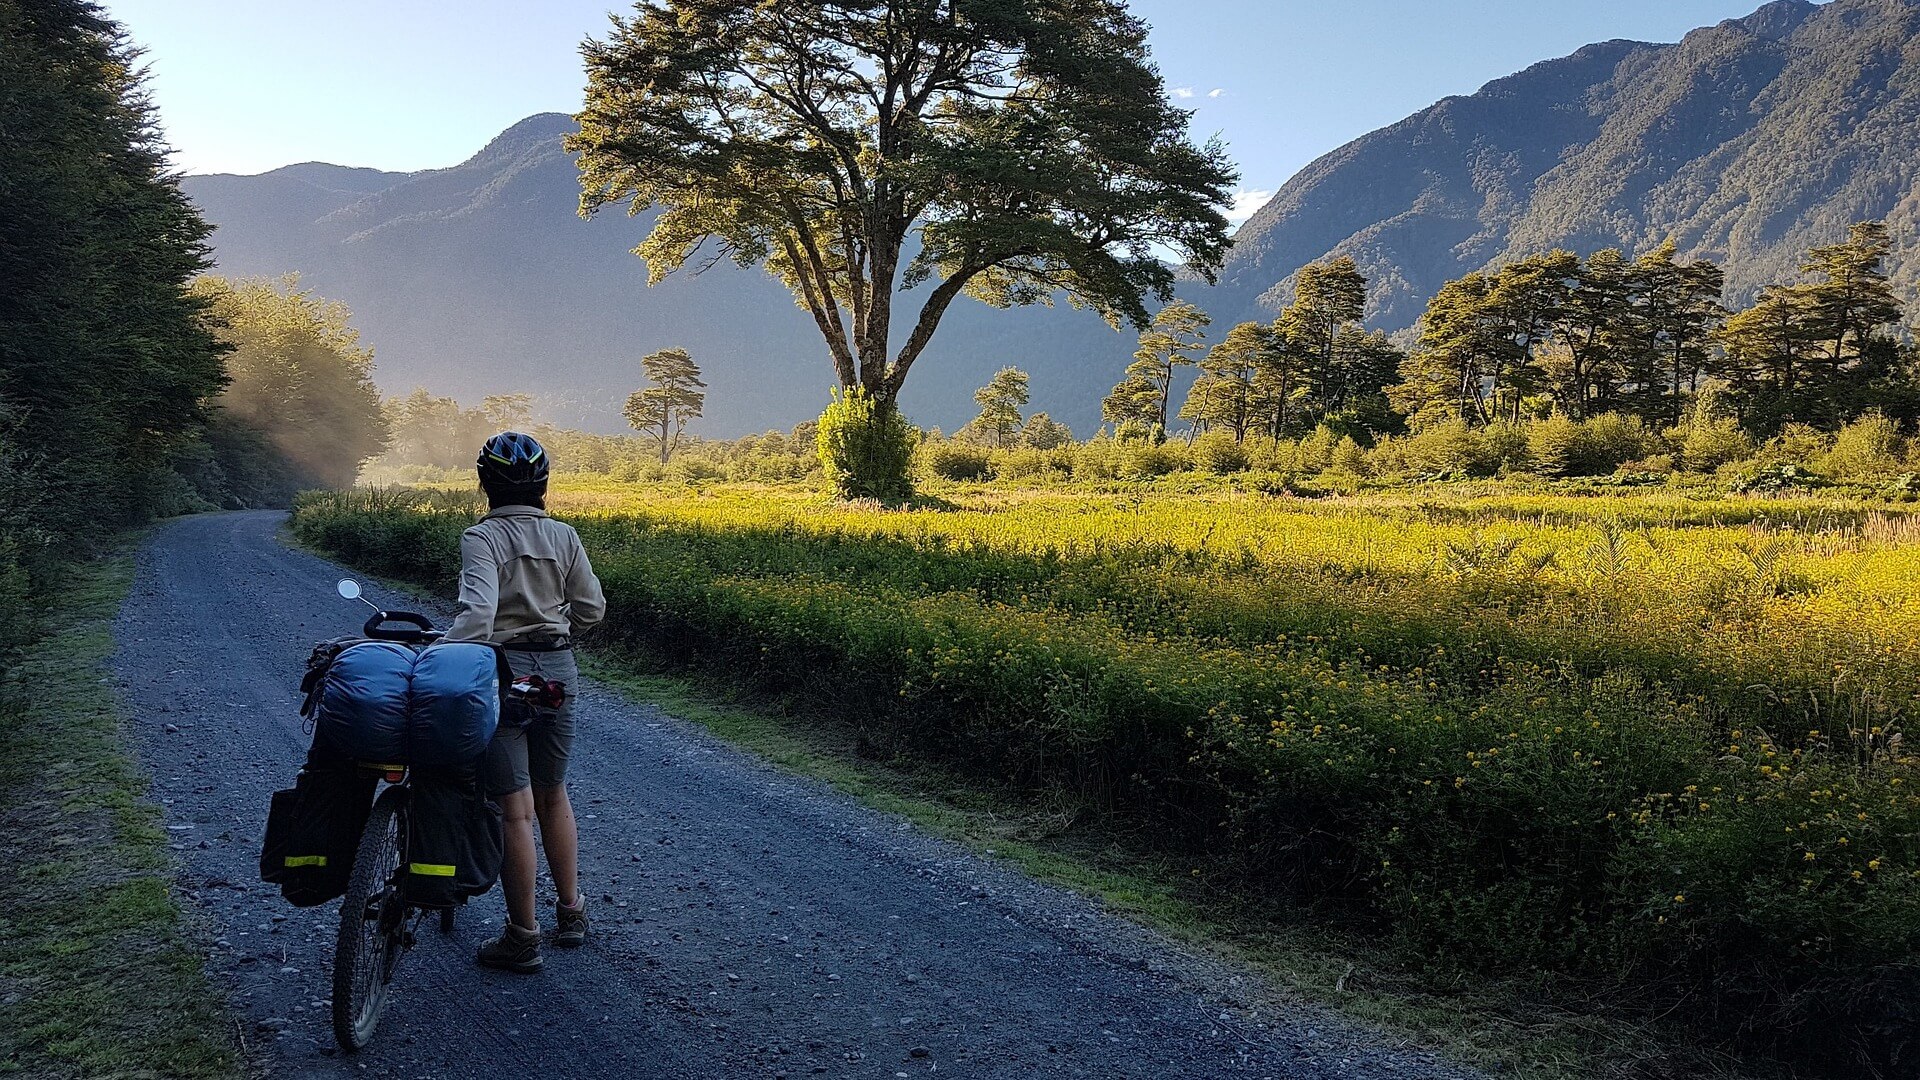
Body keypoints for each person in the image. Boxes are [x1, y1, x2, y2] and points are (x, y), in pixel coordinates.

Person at [449, 431, 606, 973]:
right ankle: (572, 911)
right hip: (558, 670)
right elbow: (592, 609)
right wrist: (560, 628)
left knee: (513, 811)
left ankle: (522, 937)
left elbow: (476, 617)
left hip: (501, 671)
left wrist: (443, 652)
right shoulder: (565, 536)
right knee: (553, 793)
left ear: (486, 484)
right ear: (542, 484)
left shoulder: (481, 538)